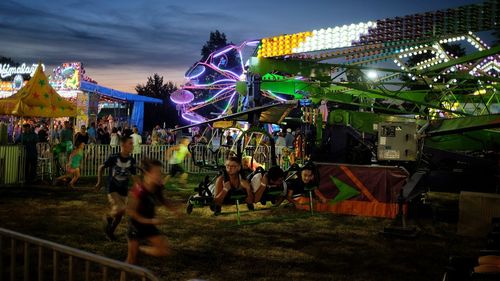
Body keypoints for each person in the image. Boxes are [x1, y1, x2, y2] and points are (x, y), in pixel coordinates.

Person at [125, 158, 175, 265]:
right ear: (147, 173)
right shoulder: (139, 190)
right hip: (136, 227)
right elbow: (131, 212)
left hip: (149, 226)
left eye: (160, 172)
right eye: (157, 172)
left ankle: (141, 249)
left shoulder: (157, 187)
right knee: (130, 261)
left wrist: (174, 209)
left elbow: (163, 200)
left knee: (164, 250)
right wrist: (151, 221)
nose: (160, 175)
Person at [95, 136, 137, 240]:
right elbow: (101, 167)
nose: (132, 145)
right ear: (122, 145)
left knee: (120, 214)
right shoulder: (114, 157)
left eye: (132, 143)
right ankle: (107, 217)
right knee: (121, 208)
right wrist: (99, 182)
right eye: (130, 143)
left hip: (123, 189)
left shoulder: (132, 160)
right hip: (112, 187)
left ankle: (110, 232)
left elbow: (134, 176)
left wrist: (140, 187)